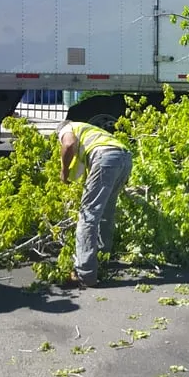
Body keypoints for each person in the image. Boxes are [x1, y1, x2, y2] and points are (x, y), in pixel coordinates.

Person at [57, 120, 133, 287]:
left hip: (105, 158)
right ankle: (103, 258)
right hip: (125, 158)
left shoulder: (67, 128)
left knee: (87, 217)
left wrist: (63, 171)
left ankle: (85, 274)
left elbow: (68, 145)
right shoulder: (90, 131)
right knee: (106, 212)